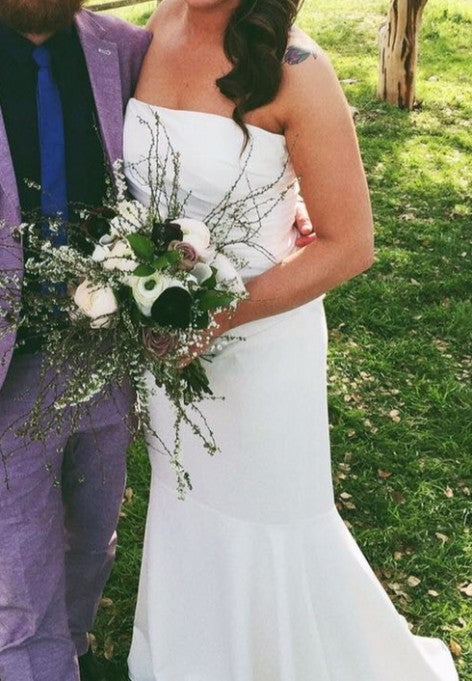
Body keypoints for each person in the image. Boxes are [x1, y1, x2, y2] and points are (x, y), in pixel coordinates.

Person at [122, 0, 460, 679]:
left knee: (267, 515)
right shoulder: (160, 24)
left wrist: (216, 317)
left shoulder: (298, 68)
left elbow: (350, 244)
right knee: (186, 503)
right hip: (165, 339)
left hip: (263, 351)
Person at [0, 2, 151, 680]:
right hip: (10, 370)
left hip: (105, 354)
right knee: (20, 567)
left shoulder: (125, 49)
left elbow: (195, 135)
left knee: (91, 536)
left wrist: (288, 197)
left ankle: (73, 649)